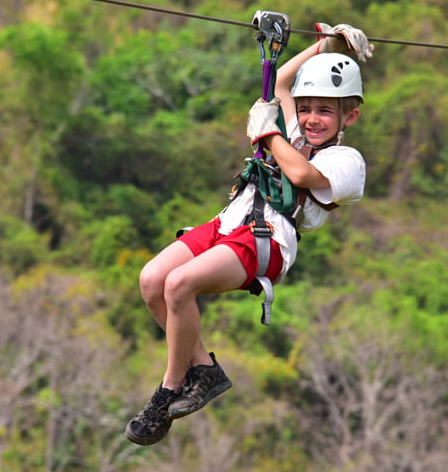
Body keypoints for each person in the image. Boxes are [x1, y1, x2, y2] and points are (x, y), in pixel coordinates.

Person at [125, 24, 373, 446]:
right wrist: (323, 46)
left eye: (326, 111)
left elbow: (300, 173)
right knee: (152, 280)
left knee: (179, 285)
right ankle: (204, 370)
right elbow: (278, 83)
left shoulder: (347, 161)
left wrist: (268, 130)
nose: (311, 118)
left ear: (349, 116)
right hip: (230, 221)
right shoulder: (295, 132)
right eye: (307, 107)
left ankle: (169, 388)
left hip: (268, 239)